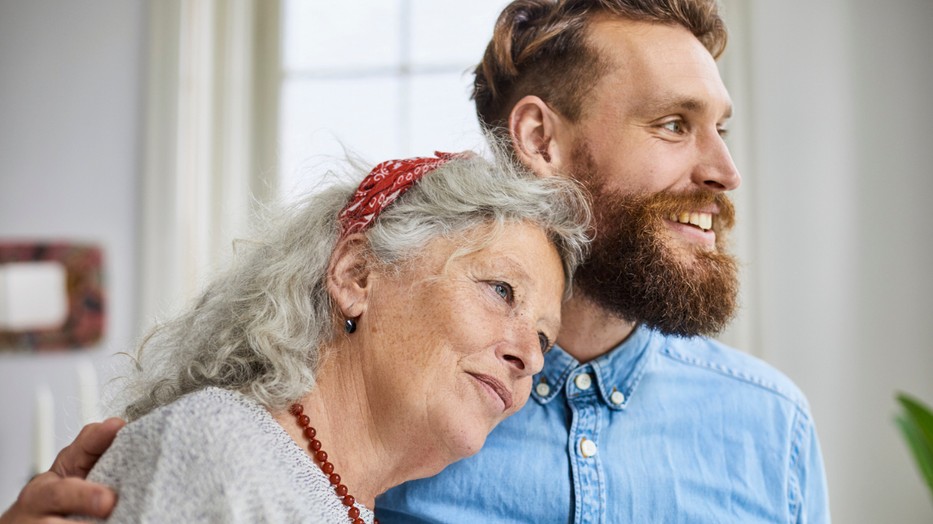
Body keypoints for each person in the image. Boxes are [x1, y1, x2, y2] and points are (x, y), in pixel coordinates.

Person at [3, 0, 832, 522]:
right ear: (540, 138)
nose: (723, 170)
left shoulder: (773, 431)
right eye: (672, 124)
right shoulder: (410, 413)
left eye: (722, 127)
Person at [0, 150, 590, 523]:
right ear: (356, 275)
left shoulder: (336, 499)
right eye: (501, 290)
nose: (531, 356)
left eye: (544, 335)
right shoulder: (219, 449)